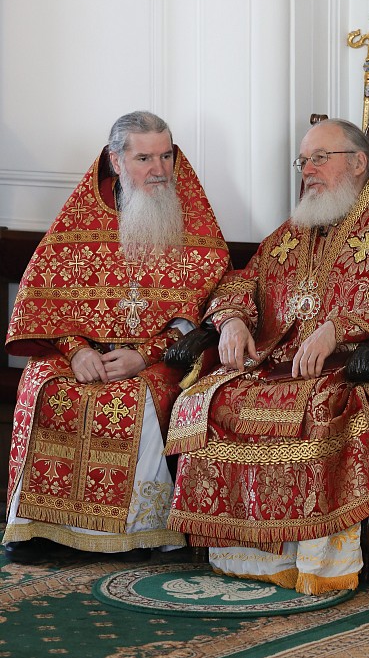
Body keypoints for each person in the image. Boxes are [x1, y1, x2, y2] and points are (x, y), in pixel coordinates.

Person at [164, 118, 369, 595]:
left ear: (358, 163)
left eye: (320, 158)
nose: (308, 170)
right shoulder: (294, 231)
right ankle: (245, 553)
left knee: (321, 406)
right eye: (303, 161)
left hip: (348, 370)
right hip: (277, 361)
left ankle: (317, 560)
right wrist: (232, 320)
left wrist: (340, 329)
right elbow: (242, 279)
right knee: (211, 397)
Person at [3, 111, 230, 564]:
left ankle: (136, 532)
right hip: (81, 352)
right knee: (44, 386)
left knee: (132, 398)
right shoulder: (81, 216)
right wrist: (76, 350)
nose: (159, 169)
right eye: (145, 158)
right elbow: (45, 295)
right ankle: (39, 527)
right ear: (115, 159)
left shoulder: (193, 221)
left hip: (159, 358)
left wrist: (143, 355)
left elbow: (204, 309)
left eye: (166, 156)